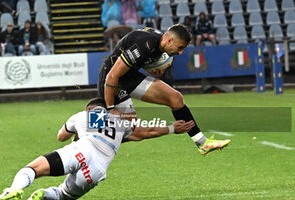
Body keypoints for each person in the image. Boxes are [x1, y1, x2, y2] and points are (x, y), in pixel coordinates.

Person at [0, 98, 195, 200]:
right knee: (63, 196)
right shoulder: (119, 122)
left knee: (33, 169)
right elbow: (144, 133)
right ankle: (43, 194)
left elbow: (60, 136)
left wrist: (76, 132)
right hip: (97, 170)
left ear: (89, 109)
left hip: (82, 149)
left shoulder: (81, 116)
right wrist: (171, 128)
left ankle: (14, 189)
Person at [97, 24, 231, 156]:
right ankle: (89, 135)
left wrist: (150, 67)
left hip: (130, 77)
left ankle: (202, 143)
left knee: (176, 98)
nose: (180, 52)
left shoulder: (160, 43)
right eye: (180, 48)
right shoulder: (144, 44)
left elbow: (138, 58)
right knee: (132, 132)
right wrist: (110, 108)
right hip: (111, 83)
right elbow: (112, 75)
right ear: (169, 40)